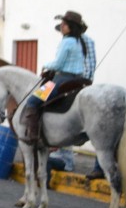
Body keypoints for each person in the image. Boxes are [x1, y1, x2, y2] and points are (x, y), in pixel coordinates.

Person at [19, 11, 93, 143]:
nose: (62, 26)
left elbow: (58, 64)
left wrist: (45, 65)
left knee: (32, 101)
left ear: (71, 27)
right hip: (78, 79)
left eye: (65, 24)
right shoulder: (79, 42)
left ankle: (33, 135)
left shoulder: (67, 42)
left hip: (63, 79)